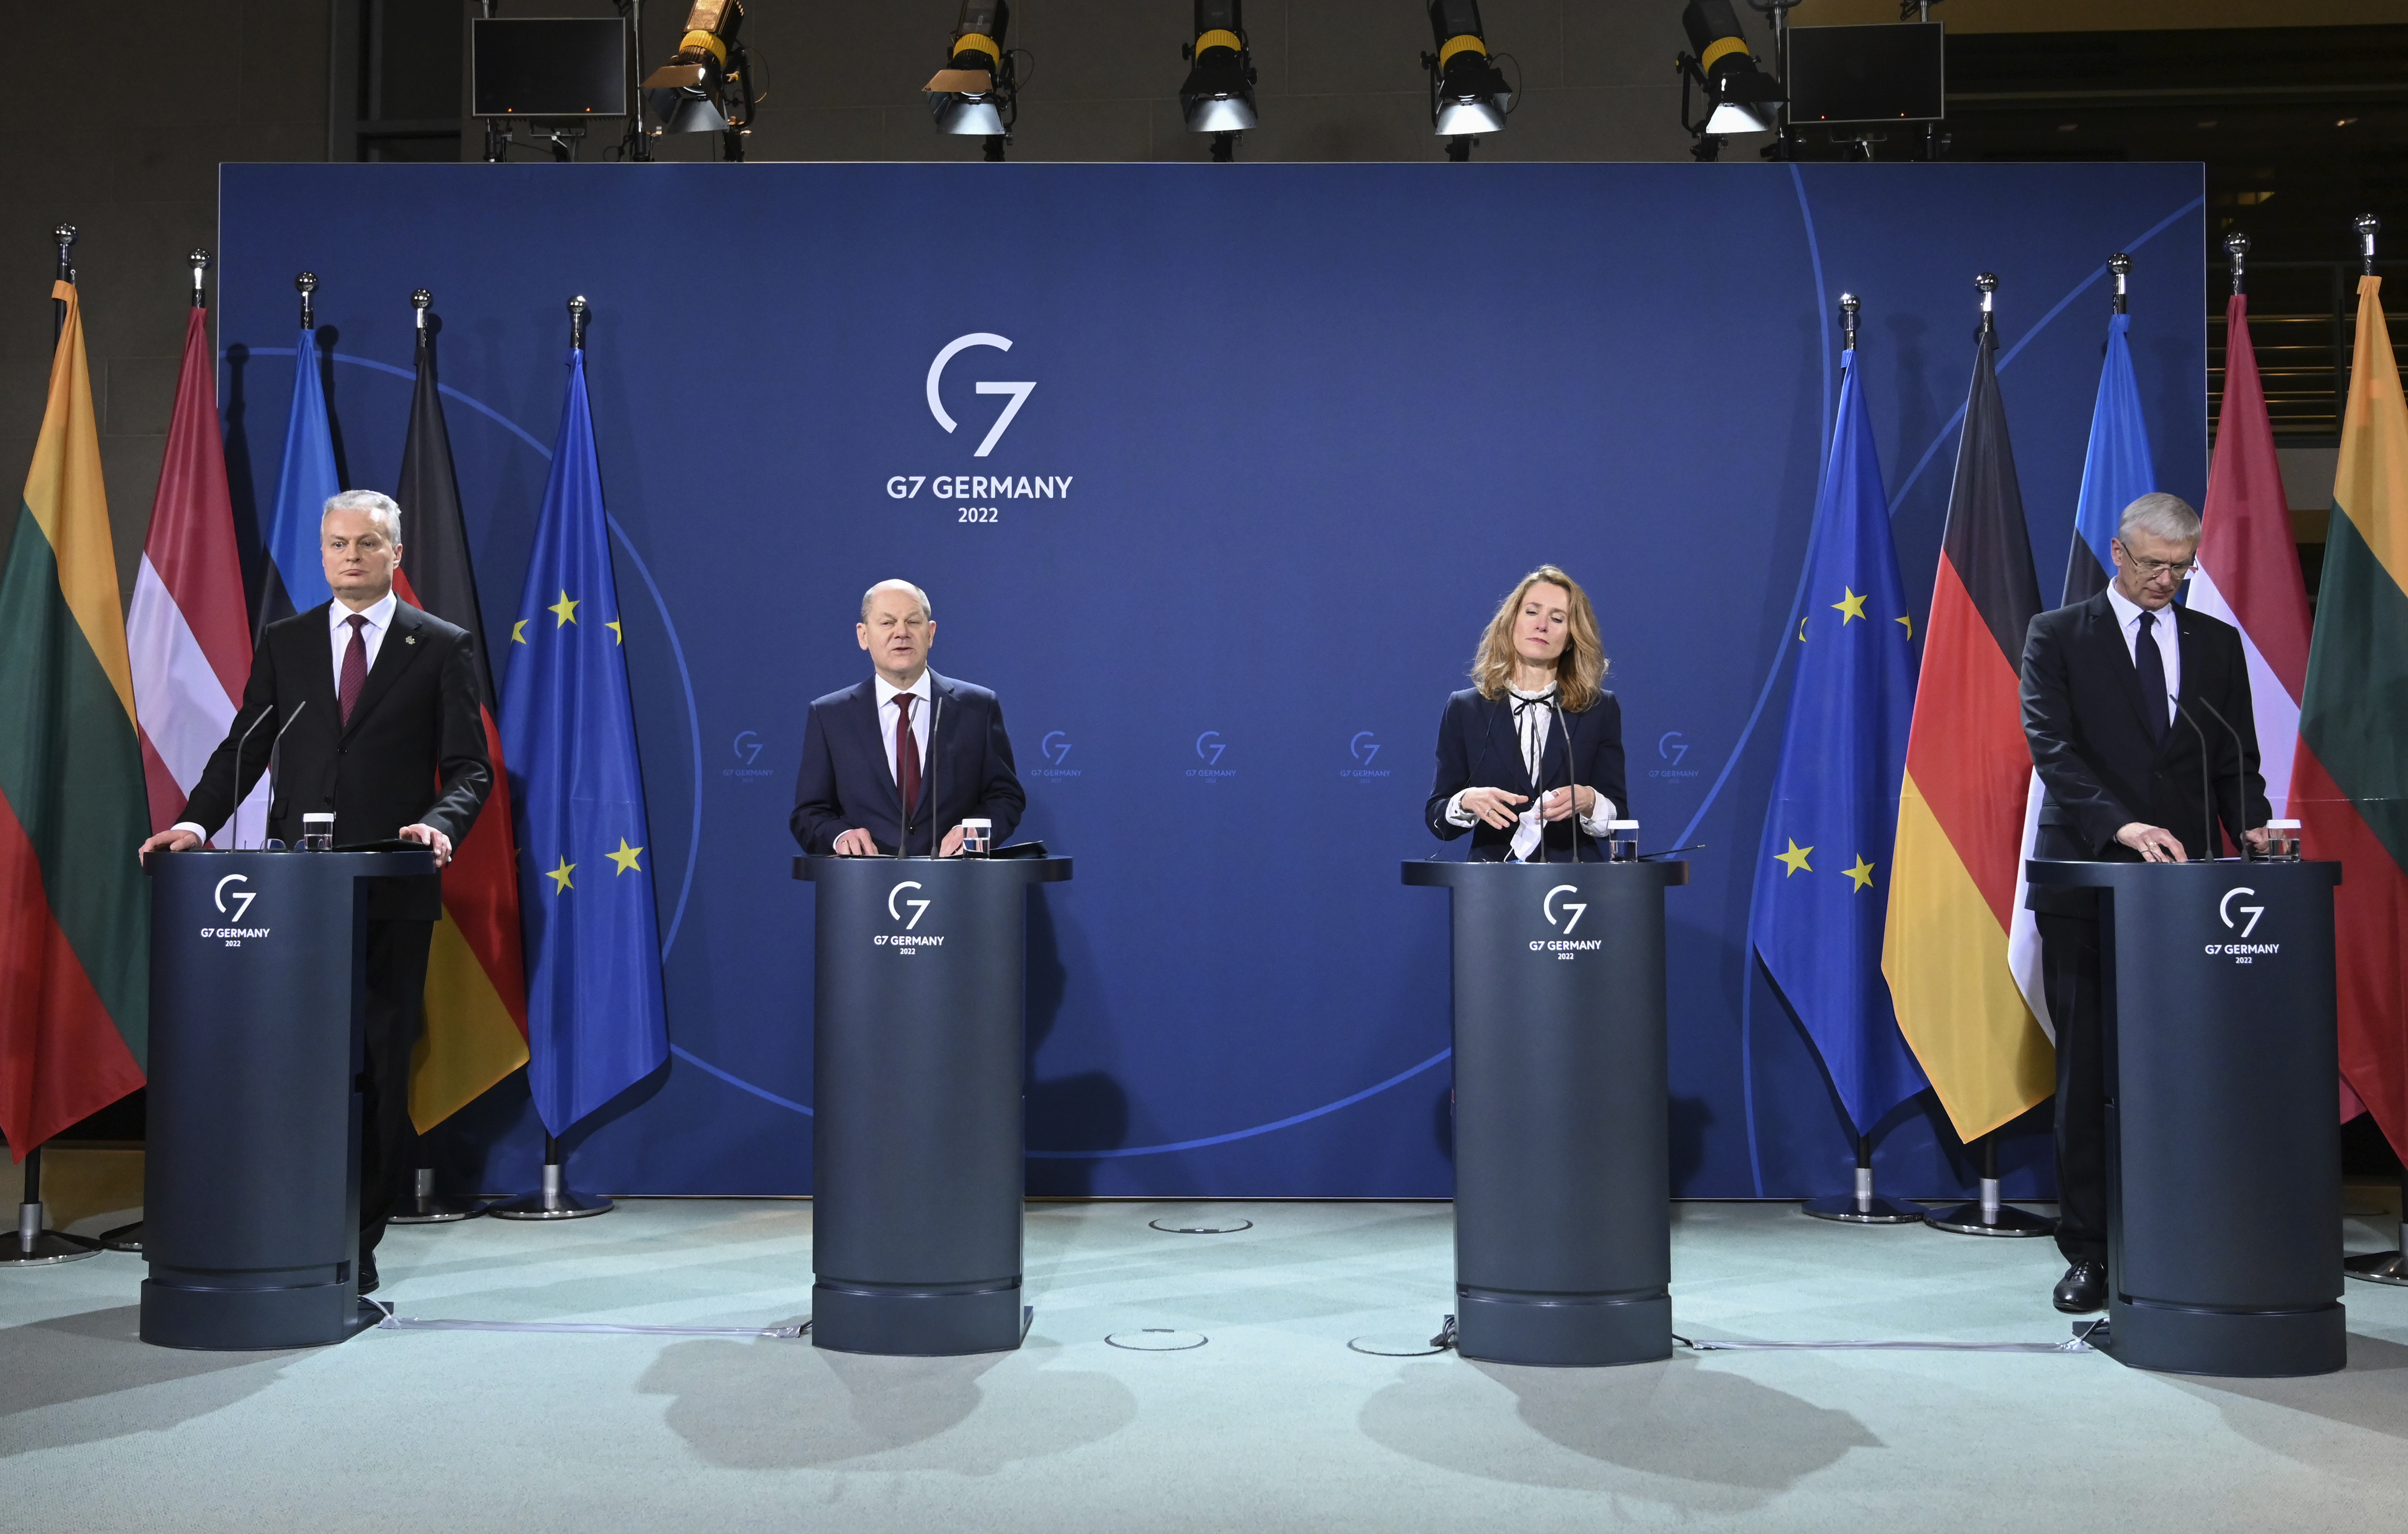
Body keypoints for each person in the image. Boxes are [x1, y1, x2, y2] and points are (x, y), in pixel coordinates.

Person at [138, 489, 490, 1295]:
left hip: (389, 891)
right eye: (337, 544)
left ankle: (355, 1240)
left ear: (396, 554)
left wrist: (441, 823)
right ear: (322, 552)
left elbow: (469, 766)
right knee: (294, 1065)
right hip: (293, 900)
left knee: (376, 1066)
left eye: (368, 544)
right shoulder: (287, 642)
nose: (351, 557)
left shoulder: (439, 646)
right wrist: (195, 825)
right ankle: (287, 1220)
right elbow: (246, 747)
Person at [2021, 491, 2272, 1316]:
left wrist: (2257, 834)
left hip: (2186, 896)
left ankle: (2186, 1232)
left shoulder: (2216, 644)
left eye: (2182, 568)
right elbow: (2052, 748)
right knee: (2090, 1070)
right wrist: (2120, 825)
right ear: (2119, 556)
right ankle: (2090, 1251)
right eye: (2154, 565)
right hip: (2091, 881)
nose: (2168, 581)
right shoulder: (2057, 635)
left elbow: (2234, 756)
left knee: (2184, 1069)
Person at [791, 579, 1025, 857]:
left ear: (931, 633)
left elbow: (1005, 797)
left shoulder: (978, 707)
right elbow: (809, 813)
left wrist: (977, 830)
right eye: (887, 623)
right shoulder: (830, 715)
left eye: (913, 622)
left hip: (958, 884)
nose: (901, 633)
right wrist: (841, 836)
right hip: (867, 887)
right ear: (863, 636)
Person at [1427, 565, 1629, 861]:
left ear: (1572, 637)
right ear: (1512, 622)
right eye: (1532, 612)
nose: (1542, 626)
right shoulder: (1465, 708)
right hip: (1490, 887)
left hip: (1576, 887)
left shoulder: (1598, 709)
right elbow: (1437, 816)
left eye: (1557, 618)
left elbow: (1619, 817)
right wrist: (1466, 801)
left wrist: (1590, 801)